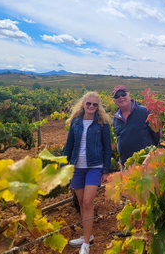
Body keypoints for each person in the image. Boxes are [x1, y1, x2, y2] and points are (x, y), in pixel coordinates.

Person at [63, 91, 112, 254]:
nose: (91, 106)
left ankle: (85, 244)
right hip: (77, 167)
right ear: (83, 104)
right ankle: (87, 235)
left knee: (88, 202)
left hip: (94, 166)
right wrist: (64, 167)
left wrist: (106, 170)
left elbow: (107, 148)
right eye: (88, 103)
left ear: (98, 107)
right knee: (81, 202)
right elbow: (69, 146)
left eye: (95, 104)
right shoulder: (75, 122)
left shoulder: (102, 124)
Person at [112, 85, 160, 169]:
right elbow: (119, 138)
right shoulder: (116, 118)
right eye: (117, 96)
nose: (121, 97)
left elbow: (156, 134)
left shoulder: (144, 111)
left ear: (129, 95)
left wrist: (150, 152)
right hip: (126, 165)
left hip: (145, 163)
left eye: (123, 94)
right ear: (114, 100)